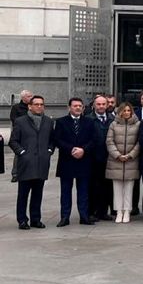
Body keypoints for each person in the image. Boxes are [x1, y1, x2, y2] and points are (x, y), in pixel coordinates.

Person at [10, 95, 54, 229]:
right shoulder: (20, 121)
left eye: (42, 104)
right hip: (26, 163)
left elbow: (52, 139)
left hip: (41, 163)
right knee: (23, 194)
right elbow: (13, 141)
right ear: (29, 106)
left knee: (38, 193)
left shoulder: (48, 121)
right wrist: (22, 153)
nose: (39, 107)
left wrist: (49, 151)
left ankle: (36, 219)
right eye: (36, 104)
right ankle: (22, 220)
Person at [54, 97, 96, 226]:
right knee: (65, 191)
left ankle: (84, 216)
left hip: (84, 160)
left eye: (80, 106)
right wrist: (71, 149)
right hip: (67, 160)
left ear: (83, 108)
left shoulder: (89, 122)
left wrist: (83, 150)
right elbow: (57, 140)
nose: (78, 108)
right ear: (69, 107)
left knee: (83, 191)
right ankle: (64, 217)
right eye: (75, 106)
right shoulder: (61, 122)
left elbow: (94, 139)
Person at [105, 102, 140, 223]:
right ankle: (119, 211)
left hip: (131, 161)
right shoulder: (113, 124)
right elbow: (109, 141)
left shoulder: (137, 124)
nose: (126, 113)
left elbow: (139, 142)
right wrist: (117, 155)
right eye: (124, 110)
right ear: (120, 111)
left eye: (128, 110)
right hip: (116, 161)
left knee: (129, 189)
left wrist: (130, 155)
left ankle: (127, 211)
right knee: (117, 189)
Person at [88, 95, 114, 221]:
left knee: (107, 186)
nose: (101, 106)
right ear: (94, 105)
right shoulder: (88, 119)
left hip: (109, 158)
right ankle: (91, 212)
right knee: (93, 186)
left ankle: (103, 211)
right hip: (93, 158)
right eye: (98, 104)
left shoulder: (113, 119)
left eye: (104, 104)